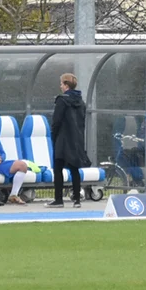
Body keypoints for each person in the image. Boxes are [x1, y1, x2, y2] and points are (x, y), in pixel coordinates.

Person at [47, 73, 89, 208]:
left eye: (61, 84)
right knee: (74, 168)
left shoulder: (62, 100)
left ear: (66, 85)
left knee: (58, 168)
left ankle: (58, 199)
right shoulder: (81, 102)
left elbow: (56, 121)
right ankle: (77, 199)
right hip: (76, 138)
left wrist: (54, 135)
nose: (60, 86)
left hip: (63, 138)